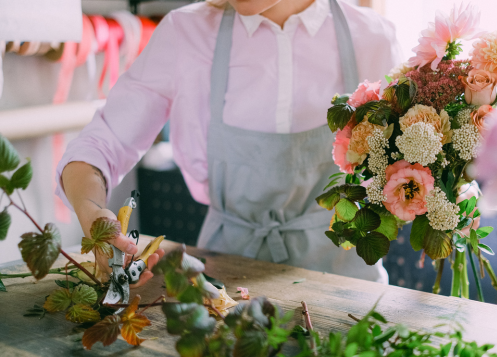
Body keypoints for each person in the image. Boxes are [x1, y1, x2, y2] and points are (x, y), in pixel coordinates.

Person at [57, 0, 401, 287]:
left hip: (349, 291)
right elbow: (99, 146)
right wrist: (93, 212)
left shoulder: (374, 38)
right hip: (225, 287)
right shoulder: (185, 34)